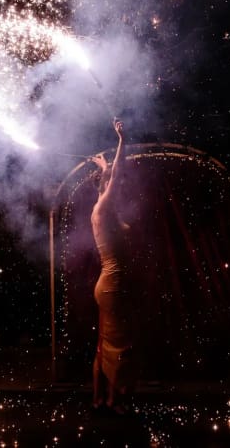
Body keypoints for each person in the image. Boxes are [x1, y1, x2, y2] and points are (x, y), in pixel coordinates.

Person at [89, 118, 137, 415]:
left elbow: (109, 179)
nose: (116, 185)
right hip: (113, 285)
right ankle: (114, 400)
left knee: (104, 345)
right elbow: (116, 176)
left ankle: (101, 399)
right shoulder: (102, 208)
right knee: (119, 346)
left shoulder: (101, 209)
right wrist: (122, 139)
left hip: (109, 285)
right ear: (105, 186)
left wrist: (103, 167)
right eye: (109, 183)